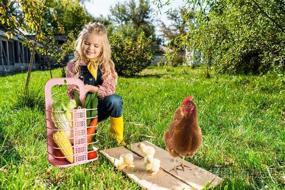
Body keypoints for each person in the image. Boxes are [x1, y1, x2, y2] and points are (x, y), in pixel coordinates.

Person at [66, 22, 124, 145]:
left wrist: (91, 88)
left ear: (102, 48)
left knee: (115, 100)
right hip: (81, 109)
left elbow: (109, 90)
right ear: (81, 43)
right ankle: (85, 132)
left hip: (100, 108)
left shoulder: (106, 65)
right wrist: (79, 91)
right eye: (87, 43)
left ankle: (117, 139)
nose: (90, 48)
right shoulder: (73, 65)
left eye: (96, 46)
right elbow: (71, 92)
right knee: (81, 141)